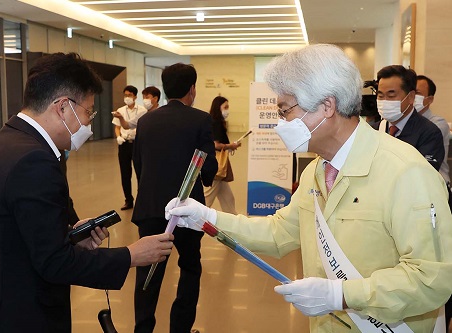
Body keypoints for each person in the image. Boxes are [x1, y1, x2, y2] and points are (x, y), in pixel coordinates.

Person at [166, 44, 452, 333]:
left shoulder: (406, 172)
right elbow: (279, 234)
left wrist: (341, 295)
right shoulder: (316, 170)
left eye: (285, 110)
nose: (280, 123)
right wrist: (208, 218)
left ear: (327, 106)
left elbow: (431, 279)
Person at [0, 53, 174, 333]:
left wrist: (66, 235)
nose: (89, 123)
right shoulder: (33, 161)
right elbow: (54, 263)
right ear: (63, 107)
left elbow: (19, 232)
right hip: (13, 315)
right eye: (88, 112)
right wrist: (131, 255)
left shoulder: (3, 143)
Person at [132, 63, 218, 333]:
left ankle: (143, 328)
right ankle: (180, 329)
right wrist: (205, 179)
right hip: (186, 211)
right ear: (192, 89)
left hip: (151, 208)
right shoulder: (201, 119)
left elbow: (138, 163)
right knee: (190, 267)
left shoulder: (146, 121)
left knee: (148, 272)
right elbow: (208, 166)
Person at [416, 75, 452, 331]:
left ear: (428, 99)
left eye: (418, 92)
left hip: (435, 201)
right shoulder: (386, 125)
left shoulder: (435, 125)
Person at [374, 65, 444, 171]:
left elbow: (423, 175)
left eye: (391, 96)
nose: (385, 101)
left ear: (411, 97)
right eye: (380, 96)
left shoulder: (429, 133)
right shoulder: (374, 130)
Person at [112, 85, 147, 210]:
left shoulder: (142, 110)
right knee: (125, 173)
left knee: (140, 172)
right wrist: (118, 137)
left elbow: (138, 126)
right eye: (125, 95)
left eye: (129, 95)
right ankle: (128, 200)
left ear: (135, 97)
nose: (127, 97)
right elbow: (117, 127)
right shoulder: (120, 110)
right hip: (124, 144)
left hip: (137, 144)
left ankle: (141, 199)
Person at [204, 96, 241, 214]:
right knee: (207, 198)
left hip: (220, 168)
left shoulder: (214, 122)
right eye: (225, 107)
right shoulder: (216, 123)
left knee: (228, 199)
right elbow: (215, 145)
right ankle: (193, 219)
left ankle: (233, 222)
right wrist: (231, 146)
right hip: (217, 166)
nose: (227, 110)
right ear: (218, 108)